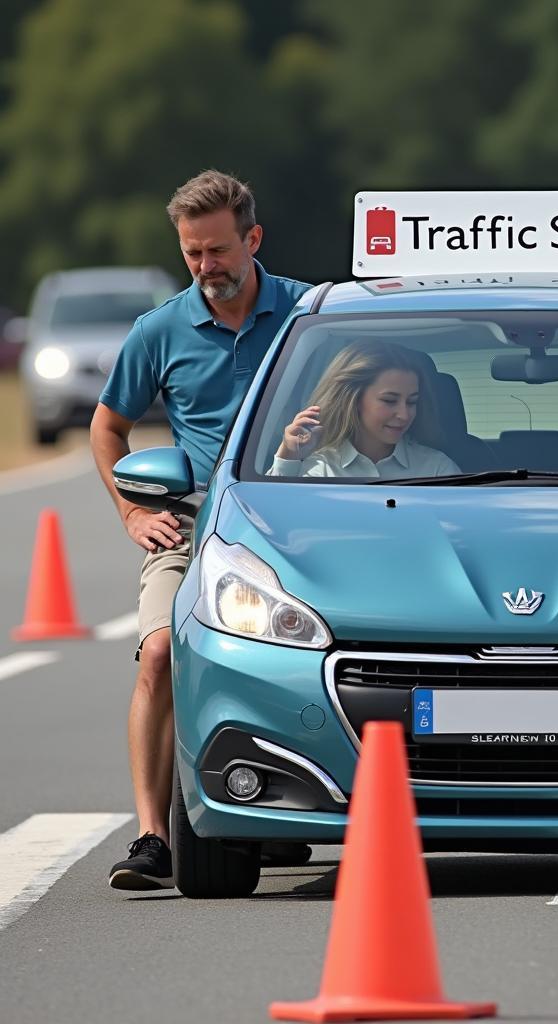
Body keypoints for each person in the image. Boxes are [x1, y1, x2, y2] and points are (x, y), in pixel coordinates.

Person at [91, 170, 313, 890]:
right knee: (159, 654)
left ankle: (278, 803)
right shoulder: (160, 329)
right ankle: (155, 837)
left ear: (253, 239)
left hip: (303, 524)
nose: (206, 268)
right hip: (195, 525)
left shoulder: (309, 314)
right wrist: (132, 510)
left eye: (217, 251)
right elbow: (108, 425)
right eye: (192, 254)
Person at [268, 340, 461, 479]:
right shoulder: (317, 468)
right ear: (353, 399)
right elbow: (270, 519)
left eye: (412, 402)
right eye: (389, 400)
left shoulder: (437, 468)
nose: (404, 414)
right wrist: (288, 457)